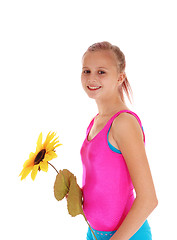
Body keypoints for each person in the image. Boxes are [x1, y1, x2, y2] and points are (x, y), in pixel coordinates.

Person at [80, 41, 158, 240]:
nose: (91, 78)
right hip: (94, 234)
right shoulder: (95, 122)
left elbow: (149, 199)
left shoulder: (123, 122)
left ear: (120, 77)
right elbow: (106, 183)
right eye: (86, 71)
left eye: (101, 72)